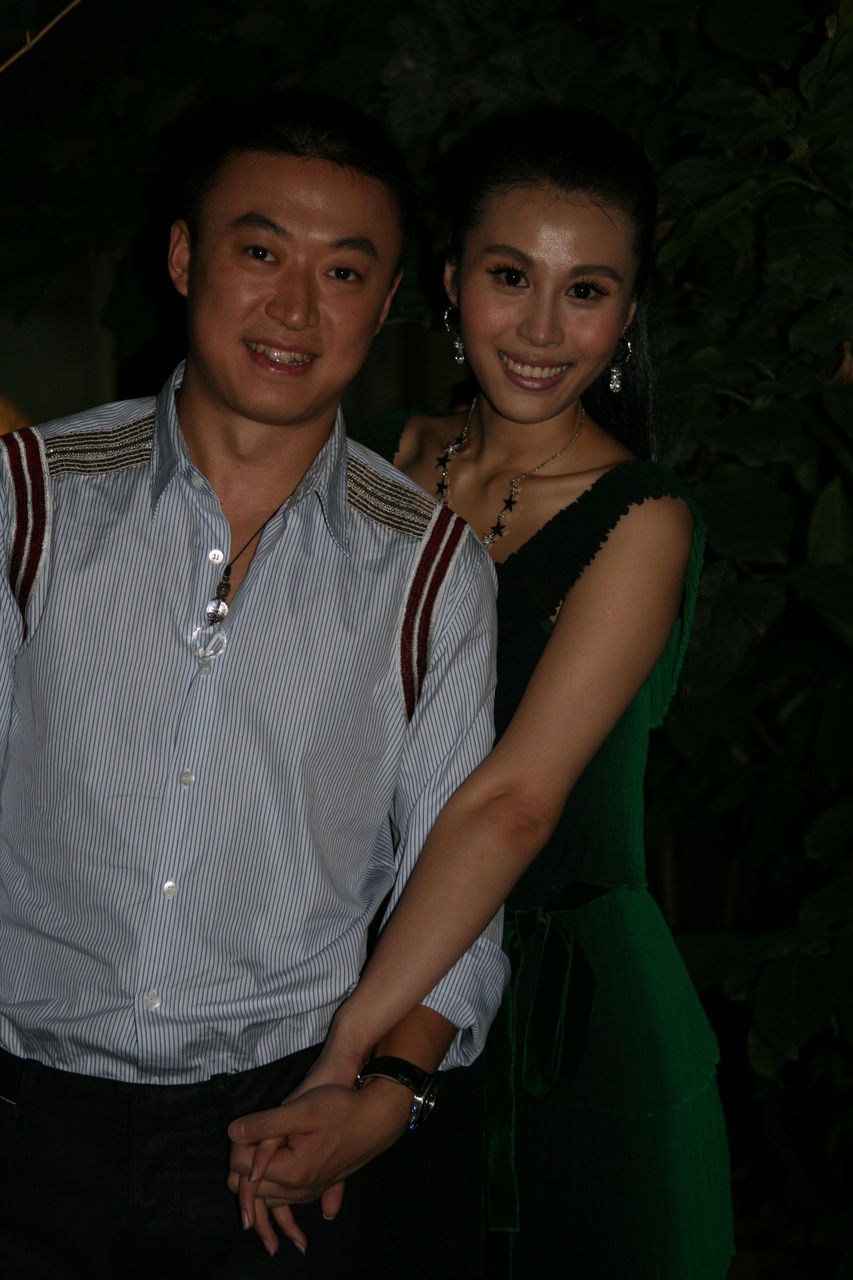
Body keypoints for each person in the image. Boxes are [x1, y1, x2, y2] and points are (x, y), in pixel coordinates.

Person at [0, 93, 508, 1279]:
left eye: (344, 272)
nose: (294, 307)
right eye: (261, 252)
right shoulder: (28, 501)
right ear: (185, 258)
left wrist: (388, 1094)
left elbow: (458, 880)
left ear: (386, 303)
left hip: (278, 1132)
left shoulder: (431, 571)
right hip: (22, 1114)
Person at [240, 105, 734, 1276]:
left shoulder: (642, 517)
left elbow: (512, 803)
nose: (543, 328)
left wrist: (355, 1046)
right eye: (512, 276)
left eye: (586, 290)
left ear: (627, 312)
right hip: (348, 975)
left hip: (563, 1021)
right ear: (451, 279)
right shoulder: (360, 457)